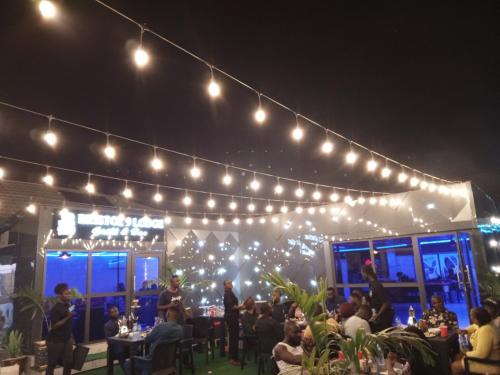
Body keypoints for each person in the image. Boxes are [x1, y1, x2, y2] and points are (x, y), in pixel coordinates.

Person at [124, 306, 183, 375]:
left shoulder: (160, 327)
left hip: (152, 363)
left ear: (167, 314)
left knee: (128, 363)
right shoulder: (180, 330)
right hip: (169, 363)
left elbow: (147, 340)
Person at [451, 307, 500, 375]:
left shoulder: (486, 330)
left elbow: (481, 355)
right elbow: (474, 326)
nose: (470, 317)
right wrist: (466, 330)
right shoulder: (487, 323)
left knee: (454, 366)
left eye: (472, 316)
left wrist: (466, 354)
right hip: (488, 359)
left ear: (478, 319)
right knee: (457, 357)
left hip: (490, 364)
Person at [46, 283, 74, 375]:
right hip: (56, 340)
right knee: (52, 364)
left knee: (68, 362)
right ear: (60, 295)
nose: (69, 295)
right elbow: (54, 326)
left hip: (67, 339)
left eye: (70, 293)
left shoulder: (69, 305)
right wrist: (67, 317)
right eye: (67, 293)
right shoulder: (56, 309)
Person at [361, 265, 394, 332]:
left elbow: (386, 303)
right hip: (378, 316)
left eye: (362, 273)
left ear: (366, 273)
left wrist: (377, 315)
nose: (362, 275)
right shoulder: (371, 285)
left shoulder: (377, 285)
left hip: (383, 318)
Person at [223, 279, 244, 365]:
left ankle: (234, 358)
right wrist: (240, 307)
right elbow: (232, 307)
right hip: (231, 318)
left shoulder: (229, 292)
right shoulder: (228, 293)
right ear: (225, 285)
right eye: (229, 283)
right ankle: (233, 358)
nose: (231, 284)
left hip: (232, 317)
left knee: (233, 337)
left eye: (231, 282)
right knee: (234, 338)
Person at [104, 306, 127, 373]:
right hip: (115, 346)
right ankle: (127, 371)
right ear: (110, 314)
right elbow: (109, 340)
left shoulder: (122, 320)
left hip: (126, 343)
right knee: (120, 350)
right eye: (113, 312)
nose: (115, 313)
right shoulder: (108, 325)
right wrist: (119, 336)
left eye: (116, 311)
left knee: (137, 350)